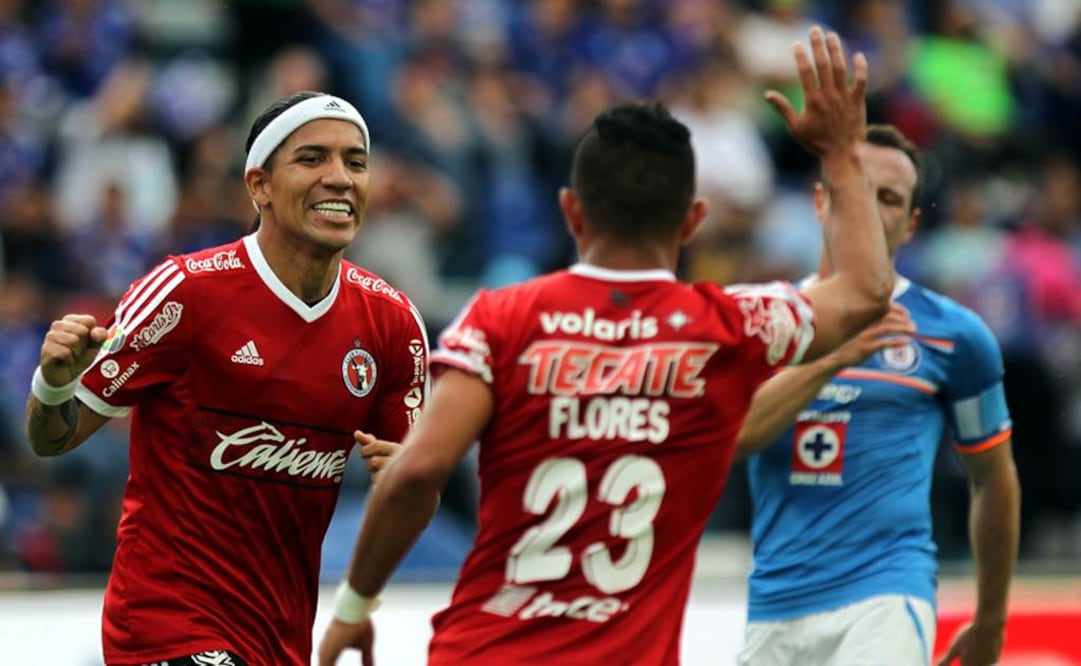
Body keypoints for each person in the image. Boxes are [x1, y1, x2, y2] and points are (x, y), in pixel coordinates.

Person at [318, 28, 893, 665]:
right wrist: (842, 152)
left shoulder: (500, 318)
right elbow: (866, 292)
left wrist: (354, 607)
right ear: (693, 220)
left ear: (571, 212)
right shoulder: (732, 326)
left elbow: (418, 471)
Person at [24, 90, 429, 666]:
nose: (339, 177)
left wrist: (408, 486)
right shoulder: (186, 293)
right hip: (164, 625)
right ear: (259, 185)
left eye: (355, 162)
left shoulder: (392, 323)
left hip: (279, 637)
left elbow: (416, 490)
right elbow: (50, 438)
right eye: (312, 159)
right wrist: (54, 385)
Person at [734, 124, 1021, 666]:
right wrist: (835, 355)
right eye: (856, 191)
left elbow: (994, 478)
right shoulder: (762, 322)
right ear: (821, 201)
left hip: (887, 596)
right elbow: (733, 440)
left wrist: (990, 620)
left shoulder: (954, 335)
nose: (870, 210)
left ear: (911, 225)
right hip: (773, 603)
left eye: (888, 199)